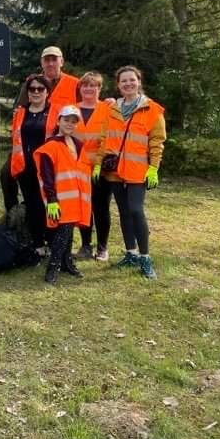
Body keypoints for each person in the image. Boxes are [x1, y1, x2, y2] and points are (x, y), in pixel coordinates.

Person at [93, 65, 166, 279]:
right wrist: (98, 163)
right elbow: (105, 139)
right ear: (118, 85)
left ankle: (145, 258)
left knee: (135, 210)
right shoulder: (112, 109)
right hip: (114, 170)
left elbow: (157, 142)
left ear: (139, 82)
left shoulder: (152, 109)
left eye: (131, 80)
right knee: (124, 212)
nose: (128, 84)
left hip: (137, 170)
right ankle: (131, 253)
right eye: (123, 81)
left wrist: (153, 168)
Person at [3, 46, 80, 210]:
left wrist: (108, 102)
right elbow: (20, 108)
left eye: (54, 59)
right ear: (42, 63)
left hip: (59, 145)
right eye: (47, 60)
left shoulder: (75, 84)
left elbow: (89, 101)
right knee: (6, 174)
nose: (51, 63)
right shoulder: (32, 82)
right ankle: (14, 215)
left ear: (62, 62)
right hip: (28, 143)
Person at [34, 105, 92, 283]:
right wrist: (51, 199)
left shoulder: (78, 144)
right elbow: (46, 176)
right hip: (59, 199)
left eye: (74, 121)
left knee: (68, 232)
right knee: (62, 233)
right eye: (66, 120)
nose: (70, 124)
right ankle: (53, 266)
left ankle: (66, 263)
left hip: (76, 199)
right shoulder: (50, 146)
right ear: (58, 121)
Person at [9, 74, 56, 251]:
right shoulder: (20, 113)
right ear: (27, 92)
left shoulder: (55, 111)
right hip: (25, 167)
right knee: (33, 205)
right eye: (32, 89)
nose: (36, 92)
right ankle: (38, 244)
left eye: (40, 89)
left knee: (48, 205)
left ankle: (52, 242)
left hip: (47, 168)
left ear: (47, 92)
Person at [73, 72, 112, 261]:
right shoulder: (71, 110)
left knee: (101, 207)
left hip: (101, 168)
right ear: (80, 89)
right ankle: (86, 245)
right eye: (85, 85)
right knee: (83, 208)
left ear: (99, 88)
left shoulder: (109, 108)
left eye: (93, 85)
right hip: (78, 168)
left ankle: (103, 248)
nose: (88, 89)